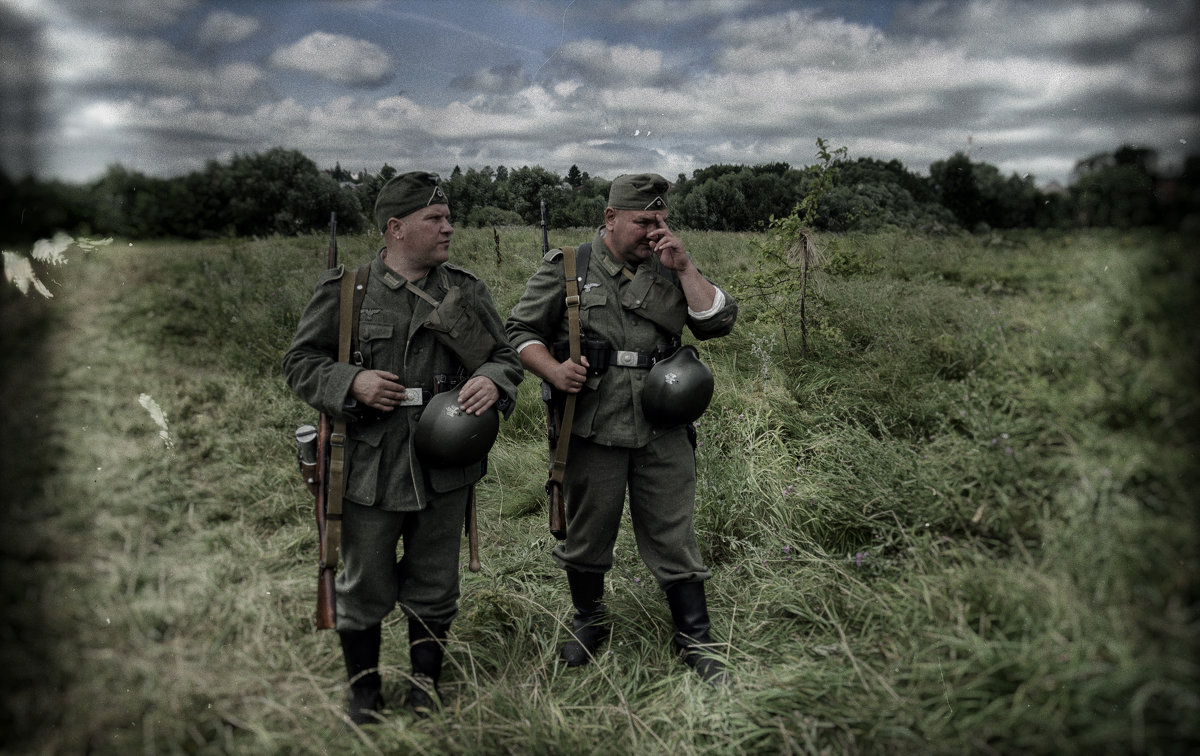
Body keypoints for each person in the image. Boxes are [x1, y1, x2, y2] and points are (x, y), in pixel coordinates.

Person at [283, 171, 522, 723]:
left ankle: (424, 687)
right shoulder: (347, 291)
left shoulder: (463, 290)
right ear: (395, 229)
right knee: (363, 580)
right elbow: (300, 363)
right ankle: (363, 694)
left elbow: (504, 357)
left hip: (446, 462)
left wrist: (493, 380)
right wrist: (351, 384)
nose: (449, 228)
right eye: (434, 220)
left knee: (435, 581)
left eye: (448, 218)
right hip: (369, 465)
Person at [505, 173, 738, 683]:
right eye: (643, 221)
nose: (655, 230)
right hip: (592, 424)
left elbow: (718, 322)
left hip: (664, 426)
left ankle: (695, 636)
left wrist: (686, 266)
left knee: (673, 533)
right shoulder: (570, 267)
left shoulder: (672, 263)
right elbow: (519, 330)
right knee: (588, 534)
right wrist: (552, 369)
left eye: (661, 219)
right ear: (610, 218)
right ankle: (589, 620)